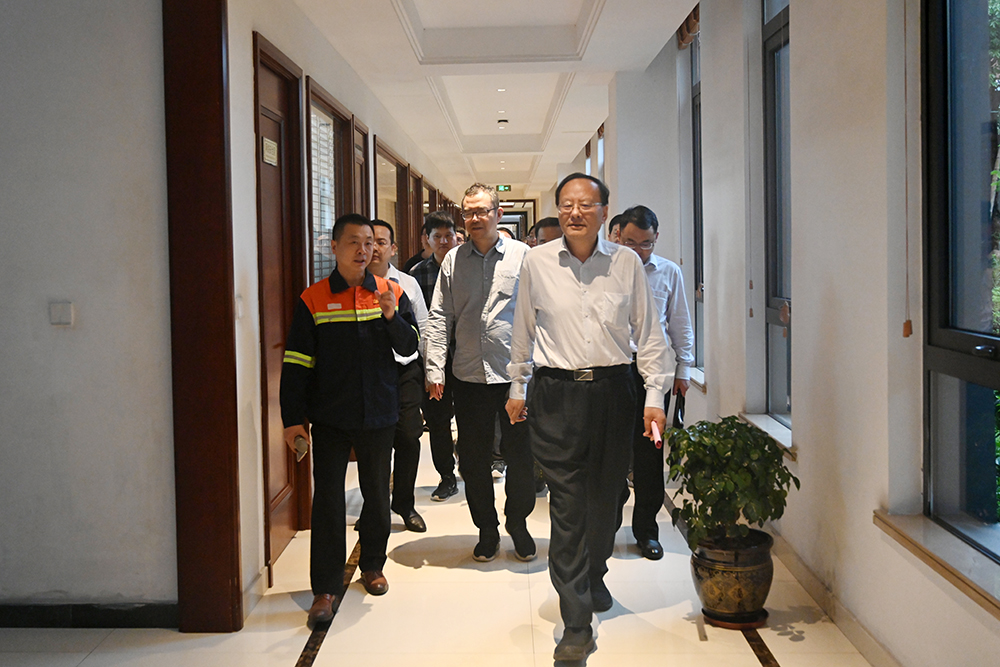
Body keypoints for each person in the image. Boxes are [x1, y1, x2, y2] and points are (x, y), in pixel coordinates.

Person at [505, 173, 668, 661]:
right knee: (568, 506)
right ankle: (575, 622)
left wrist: (654, 396)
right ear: (559, 210)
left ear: (604, 213)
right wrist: (517, 386)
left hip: (615, 392)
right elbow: (522, 329)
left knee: (607, 499)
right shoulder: (536, 262)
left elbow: (649, 332)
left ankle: (594, 571)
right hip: (556, 393)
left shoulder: (626, 264)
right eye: (567, 205)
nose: (575, 213)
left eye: (585, 204)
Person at [280, 213, 419, 627]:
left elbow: (410, 347)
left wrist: (392, 317)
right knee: (327, 500)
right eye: (354, 242)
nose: (364, 250)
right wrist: (292, 418)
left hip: (379, 411)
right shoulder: (314, 298)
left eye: (370, 242)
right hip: (330, 415)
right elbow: (296, 362)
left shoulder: (391, 291)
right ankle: (325, 587)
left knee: (376, 493)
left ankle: (372, 565)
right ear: (334, 247)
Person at [425, 183, 537, 563]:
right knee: (473, 461)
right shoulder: (453, 262)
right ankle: (486, 529)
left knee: (522, 457)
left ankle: (518, 523)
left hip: (514, 376)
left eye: (482, 211)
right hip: (469, 376)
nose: (474, 218)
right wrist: (435, 368)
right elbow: (439, 316)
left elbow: (538, 315)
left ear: (497, 213)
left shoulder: (523, 257)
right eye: (468, 212)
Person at [617, 205, 694, 560]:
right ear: (618, 236)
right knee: (613, 450)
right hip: (615, 371)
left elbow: (680, 322)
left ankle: (647, 531)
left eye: (645, 243)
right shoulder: (607, 270)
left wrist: (684, 370)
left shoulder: (669, 272)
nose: (638, 250)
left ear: (656, 238)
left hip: (654, 374)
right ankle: (608, 522)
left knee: (649, 454)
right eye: (630, 242)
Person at [368, 219, 430, 533]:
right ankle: (374, 508)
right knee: (373, 443)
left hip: (405, 369)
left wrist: (430, 372)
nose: (374, 248)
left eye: (381, 242)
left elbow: (423, 329)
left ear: (393, 248)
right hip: (370, 374)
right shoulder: (353, 284)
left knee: (408, 436)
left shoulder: (406, 284)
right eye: (369, 242)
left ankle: (404, 504)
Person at [410, 211, 460, 501]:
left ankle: (472, 464)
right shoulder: (417, 275)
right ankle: (446, 476)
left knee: (469, 417)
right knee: (438, 420)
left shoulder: (467, 270)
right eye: (437, 236)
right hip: (431, 359)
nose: (443, 241)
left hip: (466, 356)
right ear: (426, 240)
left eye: (448, 235)